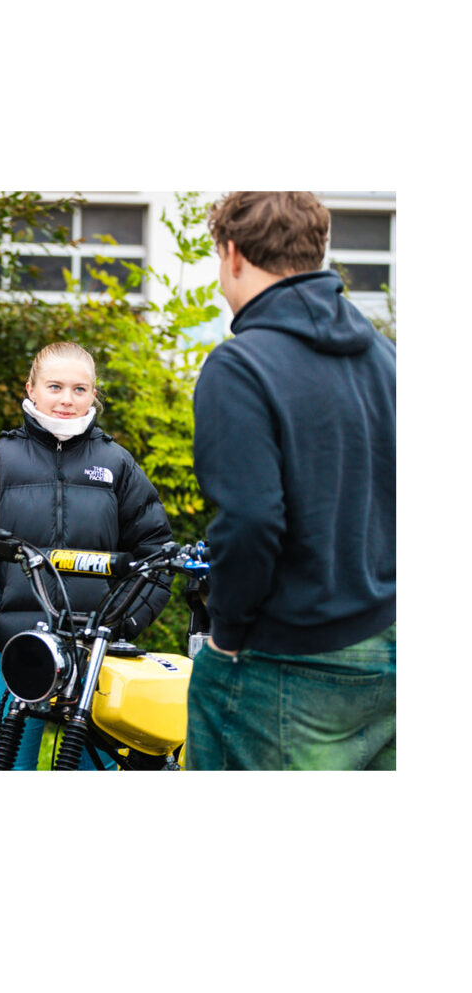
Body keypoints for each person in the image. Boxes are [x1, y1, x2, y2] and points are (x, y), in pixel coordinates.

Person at [187, 191, 396, 770]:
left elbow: (252, 520)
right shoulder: (387, 358)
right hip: (391, 645)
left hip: (284, 657)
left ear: (231, 254)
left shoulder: (239, 366)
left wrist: (225, 634)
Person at [0, 342, 173, 769]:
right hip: (20, 649)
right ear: (31, 388)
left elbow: (156, 554)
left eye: (80, 389)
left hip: (96, 658)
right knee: (11, 769)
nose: (67, 400)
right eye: (55, 386)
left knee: (90, 774)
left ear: (94, 394)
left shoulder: (116, 464)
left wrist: (124, 622)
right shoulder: (0, 461)